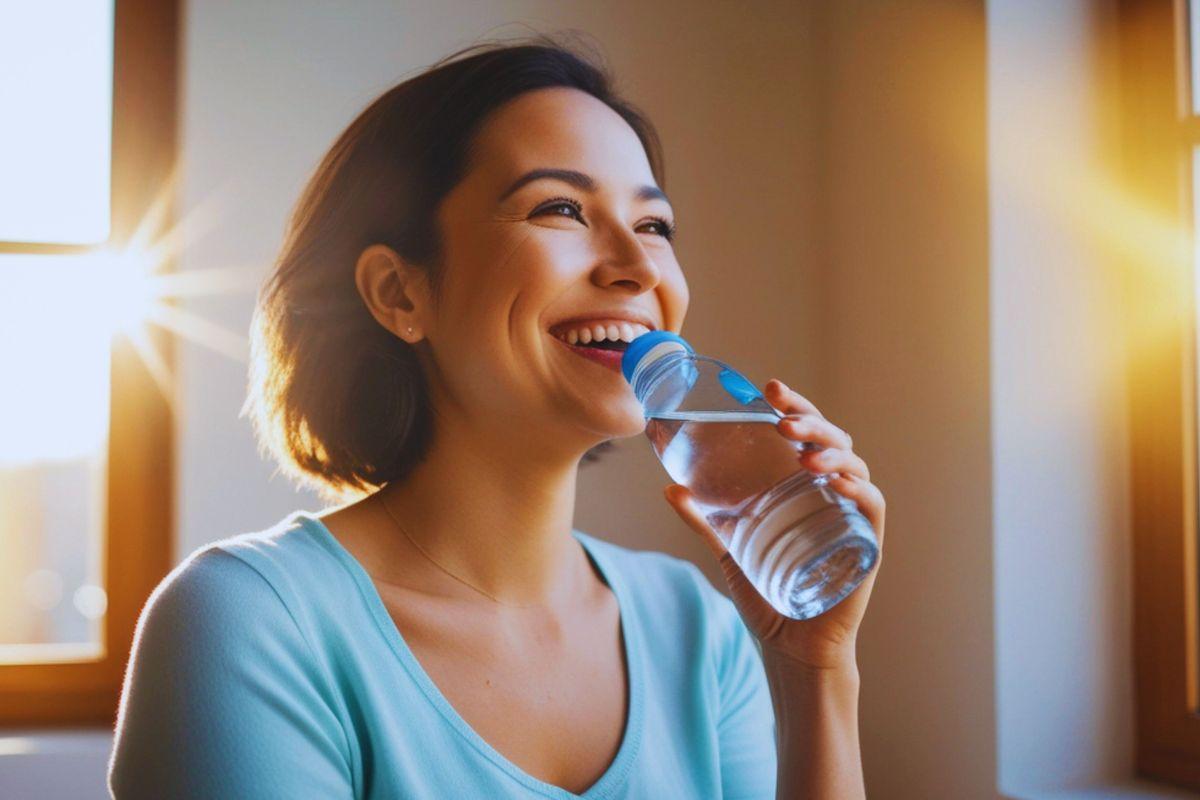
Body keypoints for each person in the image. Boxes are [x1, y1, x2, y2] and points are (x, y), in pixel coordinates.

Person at [107, 37, 886, 800]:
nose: (638, 266)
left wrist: (816, 673)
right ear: (400, 294)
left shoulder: (695, 630)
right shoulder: (249, 624)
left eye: (654, 226)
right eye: (559, 209)